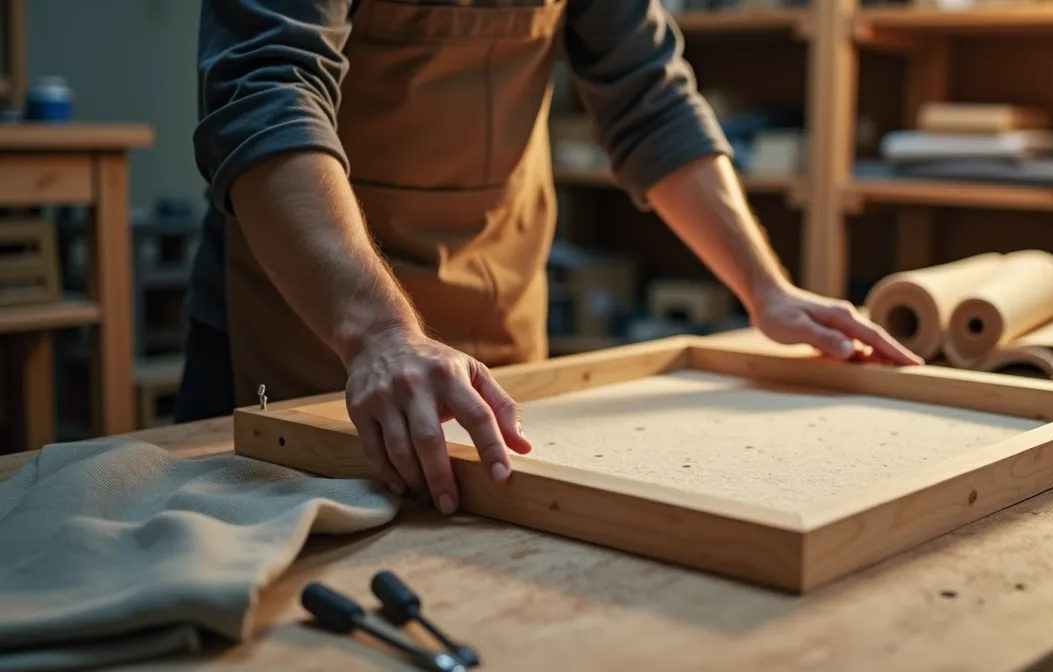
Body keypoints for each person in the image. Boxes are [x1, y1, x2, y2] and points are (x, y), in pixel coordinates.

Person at [176, 0, 923, 514]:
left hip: (493, 306)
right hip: (307, 314)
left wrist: (767, 289)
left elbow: (650, 97)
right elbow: (267, 89)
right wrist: (377, 333)